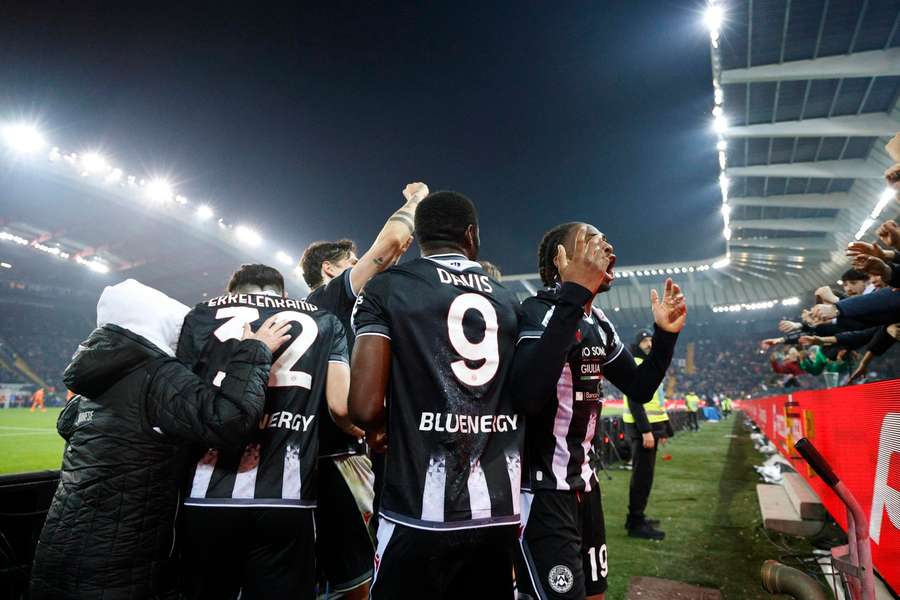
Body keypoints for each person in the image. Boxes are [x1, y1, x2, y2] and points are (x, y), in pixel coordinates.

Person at [30, 279, 285, 599]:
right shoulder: (155, 372)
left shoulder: (98, 375)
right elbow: (230, 421)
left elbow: (67, 423)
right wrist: (254, 351)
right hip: (115, 569)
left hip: (55, 555)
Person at [349, 191, 523, 598]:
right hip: (496, 509)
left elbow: (364, 405)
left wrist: (379, 427)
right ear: (471, 235)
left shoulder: (389, 289)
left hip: (416, 507)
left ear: (421, 236)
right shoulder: (509, 300)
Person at [509, 223, 686, 599]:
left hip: (585, 486)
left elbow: (639, 386)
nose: (605, 246)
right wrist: (573, 295)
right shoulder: (537, 312)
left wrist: (665, 337)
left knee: (594, 594)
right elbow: (527, 396)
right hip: (543, 492)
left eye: (606, 240)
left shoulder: (598, 324)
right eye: (591, 241)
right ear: (561, 259)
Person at [177, 265, 352, 600]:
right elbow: (341, 408)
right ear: (282, 294)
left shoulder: (201, 315)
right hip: (287, 496)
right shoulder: (325, 320)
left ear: (233, 293)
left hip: (206, 492)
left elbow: (181, 396)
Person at [300, 182, 428, 598]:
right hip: (340, 455)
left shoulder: (315, 313)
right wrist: (415, 199)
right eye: (351, 262)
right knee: (358, 580)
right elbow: (390, 244)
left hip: (320, 455)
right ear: (330, 270)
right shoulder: (332, 296)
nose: (361, 266)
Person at [622, 328, 674, 541]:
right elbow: (635, 401)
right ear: (638, 343)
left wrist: (663, 428)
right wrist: (646, 431)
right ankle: (635, 522)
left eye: (652, 340)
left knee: (644, 477)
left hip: (649, 429)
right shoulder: (635, 362)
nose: (650, 344)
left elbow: (655, 401)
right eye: (646, 341)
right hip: (642, 431)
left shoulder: (647, 363)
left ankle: (636, 517)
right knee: (642, 478)